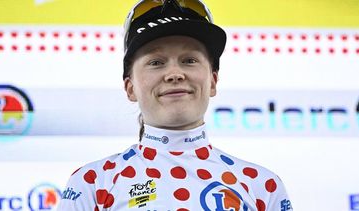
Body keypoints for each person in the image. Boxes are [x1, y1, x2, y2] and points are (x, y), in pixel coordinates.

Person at [58, 0, 293, 210]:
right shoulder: (92, 183)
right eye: (156, 62)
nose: (174, 74)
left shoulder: (263, 186)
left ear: (212, 81)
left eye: (189, 60)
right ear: (130, 88)